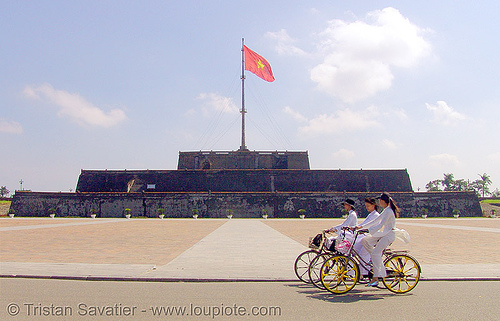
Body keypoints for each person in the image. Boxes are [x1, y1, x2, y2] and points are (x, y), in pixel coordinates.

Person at [357, 192, 400, 287]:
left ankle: (375, 278)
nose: (379, 202)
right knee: (365, 241)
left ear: (383, 201)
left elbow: (380, 224)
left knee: (375, 253)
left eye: (380, 200)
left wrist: (367, 230)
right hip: (384, 234)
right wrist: (360, 227)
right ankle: (376, 260)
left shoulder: (388, 211)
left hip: (388, 235)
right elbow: (375, 221)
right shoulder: (386, 210)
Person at [352, 197, 380, 280]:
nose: (367, 208)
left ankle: (364, 273)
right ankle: (361, 271)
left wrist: (359, 228)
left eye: (368, 206)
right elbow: (364, 223)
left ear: (373, 205)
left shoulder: (375, 215)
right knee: (356, 249)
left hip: (371, 238)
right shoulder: (371, 214)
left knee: (363, 254)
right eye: (366, 206)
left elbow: (367, 225)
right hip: (367, 236)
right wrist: (355, 227)